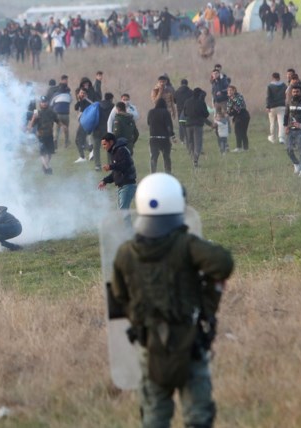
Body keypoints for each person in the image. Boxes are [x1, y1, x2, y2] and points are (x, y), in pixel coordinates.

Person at [110, 172, 233, 428]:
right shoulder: (187, 245)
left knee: (154, 412)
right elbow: (223, 263)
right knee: (198, 414)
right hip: (188, 339)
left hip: (150, 343)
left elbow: (119, 296)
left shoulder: (125, 253)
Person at [98, 133, 137, 210]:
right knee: (122, 211)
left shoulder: (121, 150)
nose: (103, 147)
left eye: (105, 144)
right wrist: (105, 181)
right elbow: (116, 172)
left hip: (127, 185)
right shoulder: (115, 152)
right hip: (123, 186)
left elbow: (125, 165)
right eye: (102, 145)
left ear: (111, 142)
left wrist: (111, 167)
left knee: (123, 212)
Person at [183, 88, 214, 167]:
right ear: (200, 94)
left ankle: (192, 157)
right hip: (198, 125)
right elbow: (206, 114)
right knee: (198, 142)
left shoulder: (187, 101)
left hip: (188, 124)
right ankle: (195, 159)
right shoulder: (201, 102)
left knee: (190, 142)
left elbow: (185, 113)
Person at [28, 96, 58, 174]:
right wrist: (33, 118)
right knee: (43, 153)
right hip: (41, 135)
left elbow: (57, 121)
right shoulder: (37, 112)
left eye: (45, 102)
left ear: (47, 103)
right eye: (42, 102)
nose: (44, 104)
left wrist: (62, 126)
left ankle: (45, 166)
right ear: (40, 103)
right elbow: (31, 125)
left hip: (50, 135)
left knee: (50, 153)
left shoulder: (51, 112)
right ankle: (47, 168)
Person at [283, 84, 301, 175]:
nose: (295, 93)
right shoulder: (289, 102)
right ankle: (296, 164)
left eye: (297, 91)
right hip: (291, 129)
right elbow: (286, 115)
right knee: (288, 149)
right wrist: (285, 126)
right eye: (294, 92)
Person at [147, 98, 175, 173]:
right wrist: (172, 136)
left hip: (153, 138)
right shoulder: (166, 112)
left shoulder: (151, 112)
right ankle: (168, 173)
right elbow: (169, 126)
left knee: (153, 157)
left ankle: (153, 173)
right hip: (164, 139)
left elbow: (148, 123)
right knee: (166, 157)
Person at [226, 85, 251, 152]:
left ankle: (240, 147)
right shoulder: (230, 99)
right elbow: (229, 109)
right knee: (240, 132)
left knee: (240, 132)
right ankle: (245, 148)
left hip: (243, 116)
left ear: (234, 90)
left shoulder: (238, 97)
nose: (229, 92)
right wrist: (228, 112)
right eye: (228, 90)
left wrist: (230, 113)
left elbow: (238, 109)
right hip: (237, 116)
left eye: (231, 90)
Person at [266, 72, 287, 144]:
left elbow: (268, 97)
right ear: (279, 77)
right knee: (281, 122)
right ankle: (281, 138)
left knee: (272, 123)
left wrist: (267, 106)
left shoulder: (270, 86)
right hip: (282, 105)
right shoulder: (284, 85)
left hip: (272, 106)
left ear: (272, 78)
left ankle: (272, 137)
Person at [173, 79, 193, 147]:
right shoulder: (190, 92)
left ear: (181, 84)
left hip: (180, 110)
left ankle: (182, 139)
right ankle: (190, 138)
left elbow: (174, 101)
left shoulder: (176, 92)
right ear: (187, 84)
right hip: (189, 110)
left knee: (181, 125)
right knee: (189, 124)